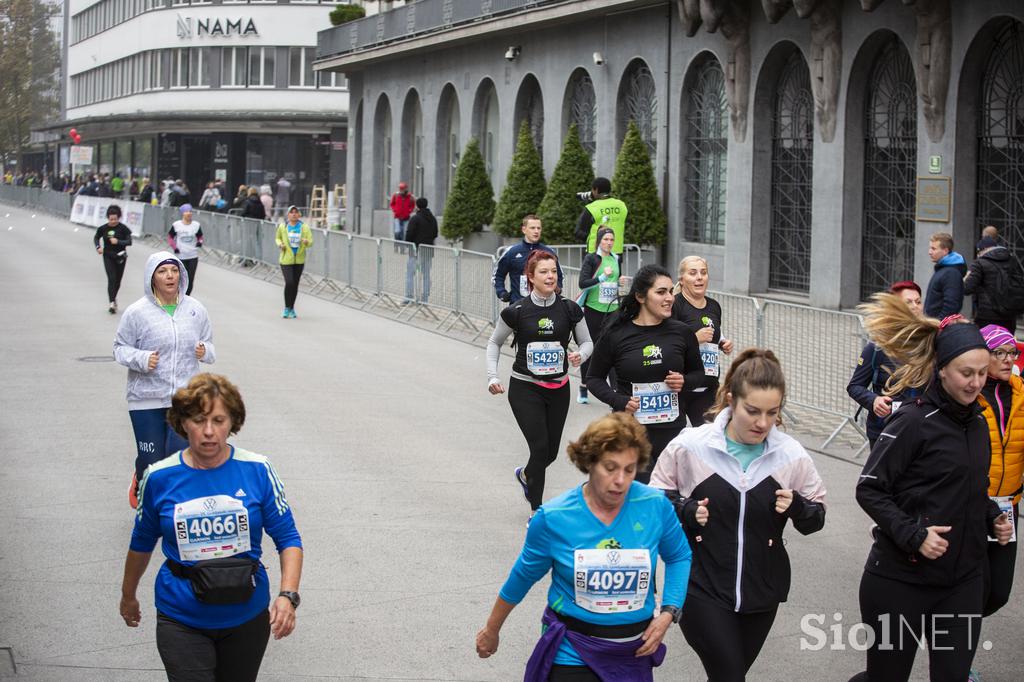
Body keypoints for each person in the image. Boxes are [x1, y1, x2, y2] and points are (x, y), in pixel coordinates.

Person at [851, 297, 1014, 682]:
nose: (976, 383)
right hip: (899, 582)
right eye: (965, 373)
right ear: (941, 371)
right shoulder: (913, 421)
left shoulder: (978, 424)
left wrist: (993, 518)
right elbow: (869, 489)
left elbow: (973, 488)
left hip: (962, 582)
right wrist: (914, 535)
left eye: (980, 373)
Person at [649, 348, 827, 682]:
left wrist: (799, 507)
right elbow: (654, 498)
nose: (763, 423)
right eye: (753, 411)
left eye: (773, 413)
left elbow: (816, 516)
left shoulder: (790, 455)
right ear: (731, 400)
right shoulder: (692, 446)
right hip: (700, 586)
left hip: (762, 593)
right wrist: (685, 509)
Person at [474, 412, 692, 681]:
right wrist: (491, 629)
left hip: (633, 652)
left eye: (629, 469)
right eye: (610, 468)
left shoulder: (655, 506)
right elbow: (522, 576)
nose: (621, 480)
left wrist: (669, 612)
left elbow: (680, 555)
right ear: (590, 463)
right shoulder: (554, 517)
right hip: (573, 649)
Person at [120, 373, 303, 682]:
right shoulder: (159, 477)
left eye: (219, 420)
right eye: (198, 419)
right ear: (182, 423)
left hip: (246, 616)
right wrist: (128, 595)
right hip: (181, 617)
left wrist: (288, 595)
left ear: (233, 422)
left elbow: (288, 539)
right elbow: (141, 542)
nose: (208, 432)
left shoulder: (257, 469)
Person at [488, 250, 592, 518]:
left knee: (551, 453)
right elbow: (494, 342)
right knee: (540, 448)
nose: (550, 276)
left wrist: (581, 355)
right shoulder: (517, 311)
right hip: (525, 387)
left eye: (554, 271)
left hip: (559, 388)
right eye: (544, 272)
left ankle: (525, 475)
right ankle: (536, 510)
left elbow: (587, 342)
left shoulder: (569, 309)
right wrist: (493, 376)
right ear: (531, 277)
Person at [585, 264, 705, 483]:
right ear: (641, 296)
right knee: (639, 494)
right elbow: (593, 378)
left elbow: (699, 373)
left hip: (672, 431)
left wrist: (684, 381)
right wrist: (619, 400)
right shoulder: (617, 334)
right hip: (631, 432)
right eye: (661, 292)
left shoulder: (682, 333)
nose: (670, 298)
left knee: (667, 496)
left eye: (670, 291)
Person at [114, 252, 216, 509]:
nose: (170, 276)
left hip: (184, 399)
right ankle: (141, 475)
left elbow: (210, 347)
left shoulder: (195, 309)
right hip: (145, 399)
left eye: (174, 270)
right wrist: (142, 358)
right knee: (152, 460)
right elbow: (119, 348)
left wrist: (205, 350)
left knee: (178, 457)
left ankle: (170, 510)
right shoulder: (137, 313)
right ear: (152, 278)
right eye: (162, 272)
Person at [977, 324, 1023, 618]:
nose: (1008, 359)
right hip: (975, 505)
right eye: (1000, 352)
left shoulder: (1021, 394)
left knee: (998, 593)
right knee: (971, 589)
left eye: (1013, 352)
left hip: (1009, 506)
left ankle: (950, 631)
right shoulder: (970, 395)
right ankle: (956, 657)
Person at [846, 281, 924, 447]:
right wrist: (874, 400)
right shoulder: (877, 348)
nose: (915, 306)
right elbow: (855, 386)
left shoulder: (931, 345)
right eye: (908, 302)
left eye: (918, 301)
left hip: (922, 431)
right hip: (885, 431)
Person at [671, 256, 735, 426]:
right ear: (682, 280)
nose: (699, 277)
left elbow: (713, 334)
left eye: (703, 273)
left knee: (713, 441)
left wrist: (722, 343)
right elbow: (666, 343)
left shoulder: (714, 306)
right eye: (693, 273)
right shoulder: (675, 305)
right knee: (673, 444)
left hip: (707, 388)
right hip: (678, 389)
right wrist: (694, 339)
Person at [576, 227, 623, 404]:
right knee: (590, 348)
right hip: (593, 310)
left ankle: (616, 391)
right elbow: (583, 283)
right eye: (606, 240)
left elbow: (614, 283)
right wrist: (603, 277)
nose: (609, 243)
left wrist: (619, 281)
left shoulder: (616, 258)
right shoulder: (591, 258)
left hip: (612, 310)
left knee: (613, 349)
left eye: (612, 240)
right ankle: (584, 386)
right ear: (599, 241)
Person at [492, 214, 564, 304]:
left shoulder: (549, 252)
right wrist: (502, 292)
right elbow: (498, 275)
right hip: (519, 305)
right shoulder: (512, 252)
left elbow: (560, 275)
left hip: (544, 304)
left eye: (539, 228)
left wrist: (558, 288)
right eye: (532, 228)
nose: (536, 231)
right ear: (524, 229)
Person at [964, 235, 1024, 334]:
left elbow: (967, 289)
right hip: (1009, 315)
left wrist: (965, 278)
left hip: (987, 316)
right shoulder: (1012, 260)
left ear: (983, 250)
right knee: (1005, 346)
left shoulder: (979, 263)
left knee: (987, 346)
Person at [274, 205, 313, 319]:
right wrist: (280, 244)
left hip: (299, 260)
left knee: (295, 285)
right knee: (289, 282)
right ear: (288, 215)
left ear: (299, 215)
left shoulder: (304, 227)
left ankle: (291, 308)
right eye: (292, 212)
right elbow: (277, 238)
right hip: (286, 259)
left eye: (296, 212)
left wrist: (306, 242)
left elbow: (311, 241)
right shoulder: (283, 226)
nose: (294, 214)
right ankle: (286, 308)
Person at [95, 204, 134, 314]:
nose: (113, 221)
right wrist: (98, 247)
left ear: (119, 218)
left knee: (117, 280)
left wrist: (118, 242)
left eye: (115, 219)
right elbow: (96, 237)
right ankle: (111, 303)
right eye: (111, 219)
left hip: (121, 256)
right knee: (111, 278)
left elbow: (129, 242)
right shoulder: (103, 228)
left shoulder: (123, 228)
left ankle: (114, 297)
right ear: (108, 218)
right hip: (108, 255)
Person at [574, 176, 627, 256]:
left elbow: (578, 232)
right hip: (616, 253)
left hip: (595, 254)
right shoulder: (621, 205)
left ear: (596, 190)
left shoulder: (592, 207)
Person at [404, 196, 438, 304]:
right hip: (428, 250)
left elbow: (409, 234)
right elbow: (435, 233)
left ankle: (409, 297)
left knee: (410, 274)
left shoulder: (415, 218)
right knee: (426, 274)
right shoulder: (433, 218)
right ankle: (425, 299)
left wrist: (408, 244)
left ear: (417, 206)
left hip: (416, 251)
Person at [924, 231, 966, 319]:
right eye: (930, 248)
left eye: (933, 249)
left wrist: (939, 324)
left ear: (945, 251)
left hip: (939, 326)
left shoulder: (951, 273)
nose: (929, 252)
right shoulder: (943, 269)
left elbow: (952, 305)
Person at [168, 204, 204, 296]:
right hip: (181, 256)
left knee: (190, 279)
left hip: (193, 256)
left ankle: (187, 298)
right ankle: (178, 296)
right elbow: (170, 237)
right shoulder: (176, 225)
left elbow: (200, 236)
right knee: (181, 278)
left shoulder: (196, 225)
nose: (189, 213)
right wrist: (175, 247)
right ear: (183, 213)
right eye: (187, 211)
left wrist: (200, 242)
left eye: (190, 211)